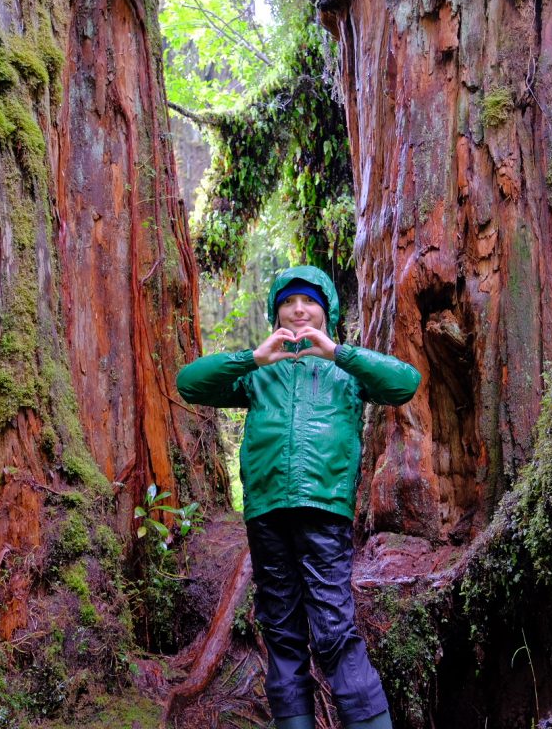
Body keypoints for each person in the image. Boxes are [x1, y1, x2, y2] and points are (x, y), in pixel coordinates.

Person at [176, 265, 420, 729]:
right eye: (289, 301)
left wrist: (338, 353)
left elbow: (405, 383)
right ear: (277, 312)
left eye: (309, 301)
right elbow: (189, 383)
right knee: (282, 634)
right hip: (267, 514)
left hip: (324, 512)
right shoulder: (258, 374)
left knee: (333, 631)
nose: (300, 308)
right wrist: (253, 357)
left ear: (325, 311)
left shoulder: (345, 371)